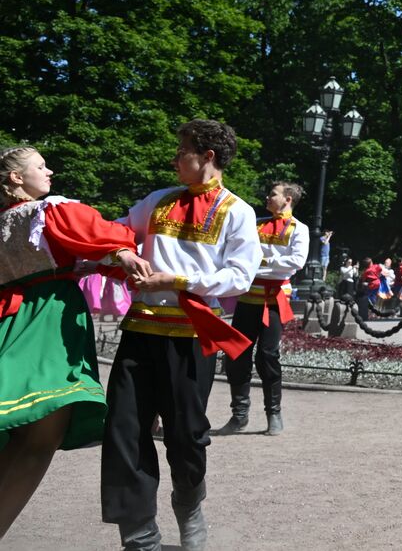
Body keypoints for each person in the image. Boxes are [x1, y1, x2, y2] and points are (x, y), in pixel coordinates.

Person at [100, 120, 260, 551]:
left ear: (208, 156)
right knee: (124, 428)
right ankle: (139, 533)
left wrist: (179, 280)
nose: (175, 158)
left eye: (183, 150)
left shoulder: (238, 212)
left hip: (192, 335)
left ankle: (188, 503)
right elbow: (115, 231)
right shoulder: (157, 201)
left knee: (186, 433)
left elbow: (240, 277)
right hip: (140, 329)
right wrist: (121, 251)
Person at [0, 146, 148, 539]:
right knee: (40, 435)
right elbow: (99, 234)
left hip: (9, 321)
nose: (50, 171)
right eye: (40, 166)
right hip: (47, 320)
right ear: (16, 178)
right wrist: (121, 250)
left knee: (20, 430)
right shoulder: (50, 211)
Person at [215, 180, 309, 437]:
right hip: (247, 299)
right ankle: (239, 415)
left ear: (288, 199)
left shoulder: (299, 229)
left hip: (274, 302)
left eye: (274, 194)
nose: (268, 197)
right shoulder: (255, 224)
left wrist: (258, 262)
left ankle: (274, 414)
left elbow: (294, 263)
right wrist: (262, 265)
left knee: (268, 357)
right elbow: (236, 256)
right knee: (236, 356)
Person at [357, 257, 381, 322]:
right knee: (374, 297)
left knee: (369, 297)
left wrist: (362, 284)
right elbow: (380, 270)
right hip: (377, 283)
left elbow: (363, 279)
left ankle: (371, 312)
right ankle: (373, 312)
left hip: (371, 284)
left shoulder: (367, 271)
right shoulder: (376, 266)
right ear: (370, 263)